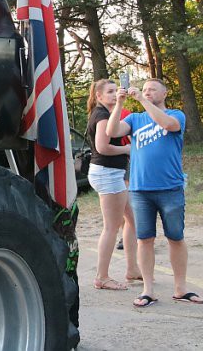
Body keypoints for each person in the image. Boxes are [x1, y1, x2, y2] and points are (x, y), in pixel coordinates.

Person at [106, 78, 203, 308]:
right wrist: (120, 104)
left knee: (175, 237)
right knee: (145, 239)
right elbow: (112, 131)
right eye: (144, 89)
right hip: (141, 190)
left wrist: (141, 100)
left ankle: (180, 288)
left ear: (165, 92)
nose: (147, 92)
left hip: (170, 188)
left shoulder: (176, 114)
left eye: (152, 89)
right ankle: (148, 290)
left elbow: (169, 125)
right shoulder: (134, 119)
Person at [86, 79, 141, 291]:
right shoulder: (101, 116)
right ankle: (102, 276)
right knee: (111, 227)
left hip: (111, 173)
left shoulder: (108, 114)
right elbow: (102, 147)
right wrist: (128, 150)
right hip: (107, 173)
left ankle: (132, 269)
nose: (113, 94)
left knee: (131, 220)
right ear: (99, 96)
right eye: (109, 92)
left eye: (114, 91)